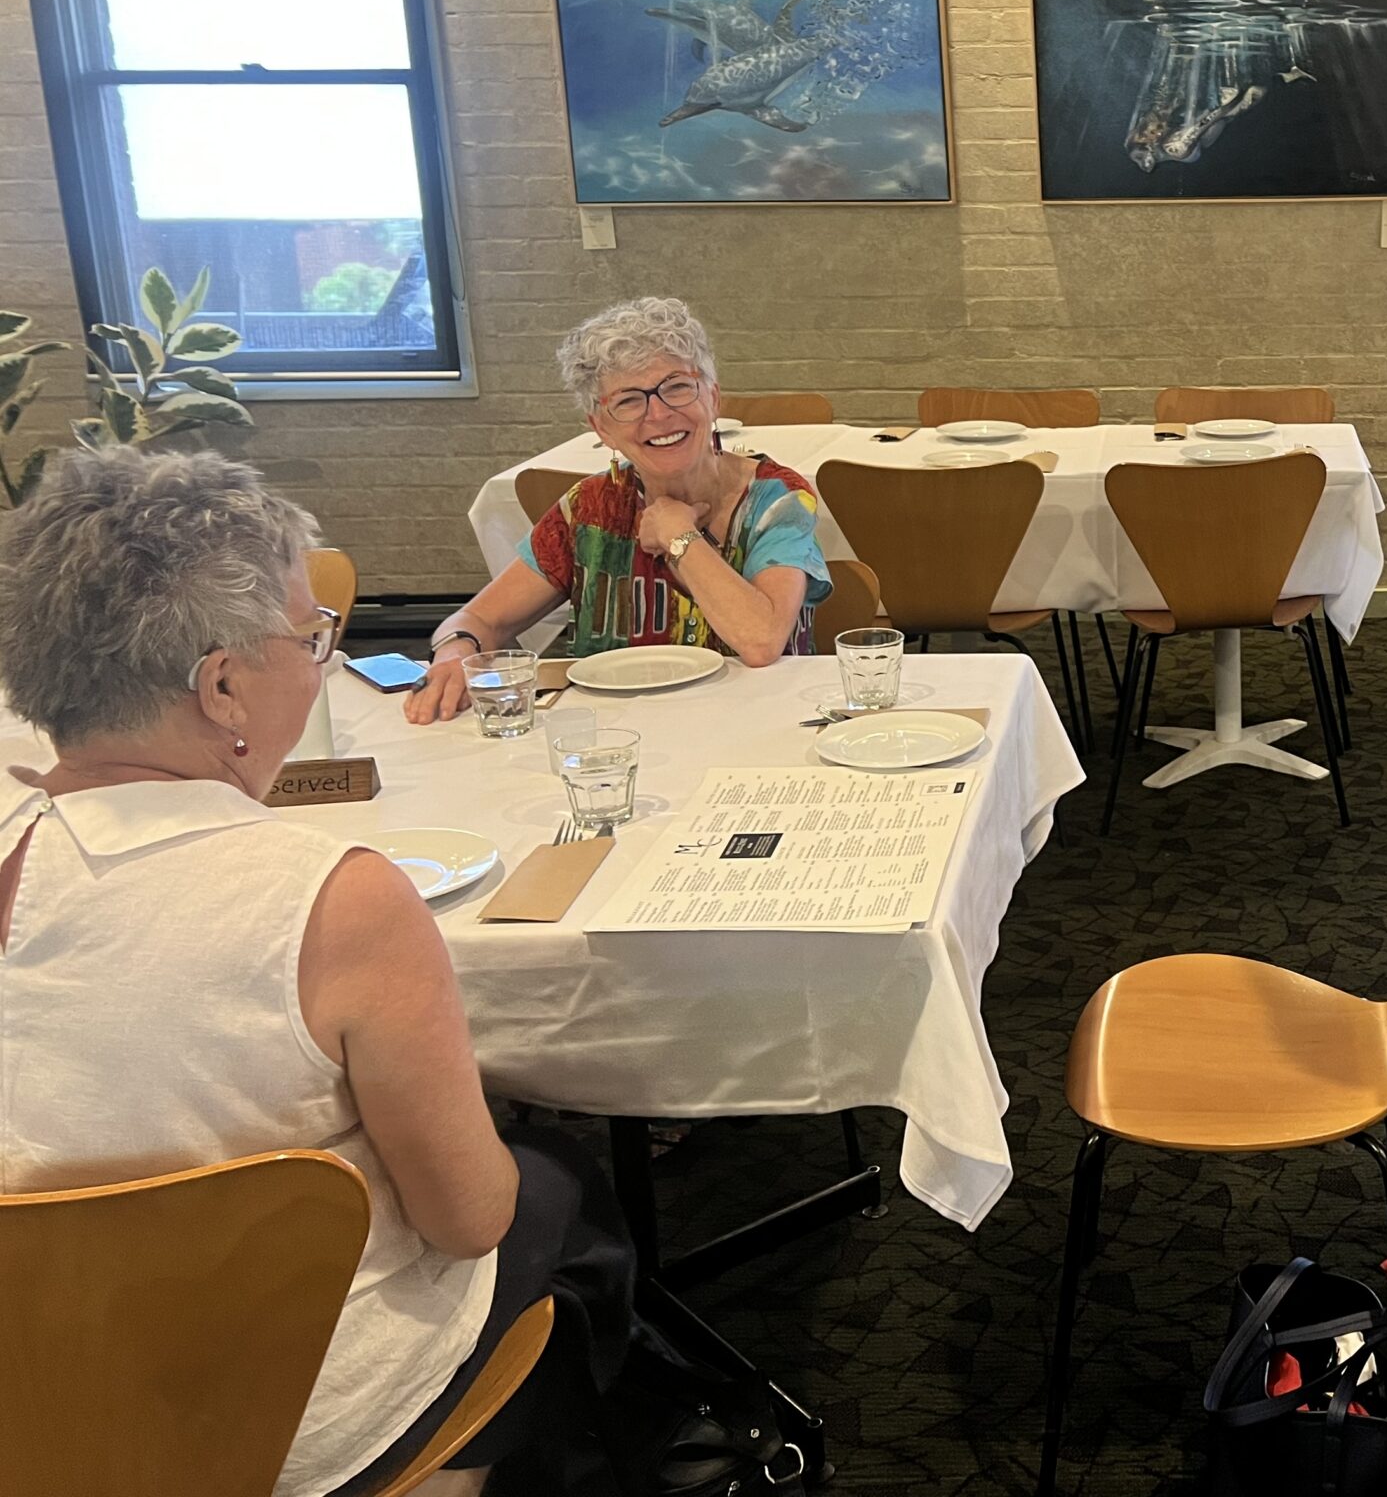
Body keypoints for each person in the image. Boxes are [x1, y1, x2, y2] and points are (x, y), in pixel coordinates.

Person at [0, 446, 632, 1496]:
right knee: (557, 1192)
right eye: (310, 639)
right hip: (280, 1429)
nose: (323, 662)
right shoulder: (336, 900)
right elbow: (468, 1221)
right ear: (222, 685)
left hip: (29, 1425)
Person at [407, 295, 830, 724]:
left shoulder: (778, 499)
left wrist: (678, 536)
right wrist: (454, 651)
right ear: (601, 428)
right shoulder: (588, 510)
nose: (659, 414)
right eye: (628, 401)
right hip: (615, 742)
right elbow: (478, 618)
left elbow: (761, 642)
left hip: (756, 731)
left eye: (677, 387)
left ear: (713, 398)